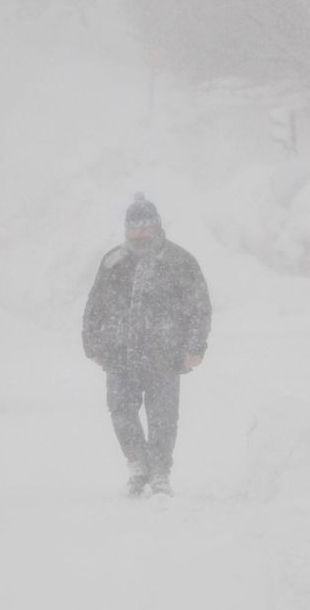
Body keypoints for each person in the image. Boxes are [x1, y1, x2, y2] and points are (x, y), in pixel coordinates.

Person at [82, 193, 212, 497]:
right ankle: (138, 463)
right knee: (121, 413)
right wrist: (92, 344)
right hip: (119, 355)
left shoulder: (180, 261)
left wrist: (195, 347)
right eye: (134, 227)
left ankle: (160, 471)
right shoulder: (113, 262)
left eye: (146, 226)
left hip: (164, 355)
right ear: (126, 229)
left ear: (157, 225)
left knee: (163, 418)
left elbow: (199, 307)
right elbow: (95, 306)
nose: (140, 233)